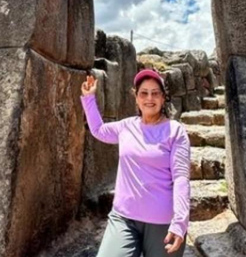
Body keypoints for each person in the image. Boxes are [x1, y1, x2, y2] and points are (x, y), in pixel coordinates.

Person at [80, 68, 191, 257]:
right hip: (124, 218)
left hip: (162, 221)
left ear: (163, 98)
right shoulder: (126, 126)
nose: (149, 98)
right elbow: (98, 130)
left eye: (155, 93)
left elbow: (181, 178)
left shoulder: (175, 131)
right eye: (144, 93)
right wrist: (89, 98)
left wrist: (180, 222)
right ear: (136, 98)